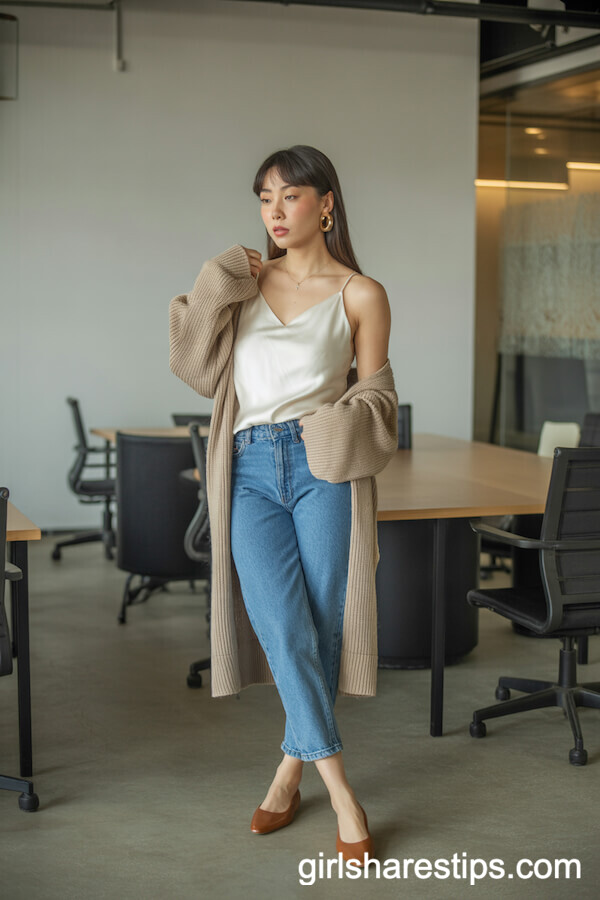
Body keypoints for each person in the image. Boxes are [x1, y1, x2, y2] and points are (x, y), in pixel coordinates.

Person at [168, 145, 397, 864]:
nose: (274, 210)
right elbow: (193, 369)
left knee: (319, 625)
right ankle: (343, 797)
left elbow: (378, 398)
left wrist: (332, 425)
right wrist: (213, 279)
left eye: (290, 196)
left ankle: (286, 774)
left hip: (322, 463)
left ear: (326, 204)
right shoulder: (243, 283)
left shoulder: (361, 292)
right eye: (264, 197)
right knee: (280, 625)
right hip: (249, 471)